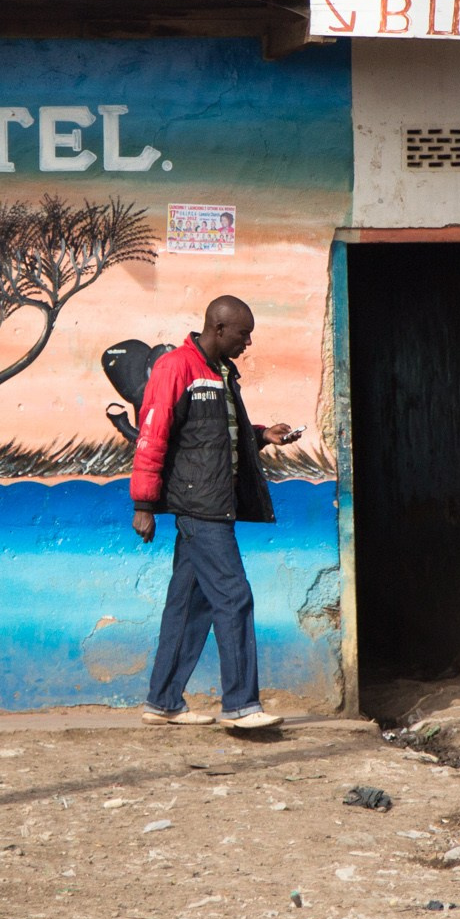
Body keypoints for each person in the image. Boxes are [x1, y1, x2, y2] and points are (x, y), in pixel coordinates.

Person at [131, 295, 300, 730]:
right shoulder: (176, 367)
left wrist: (263, 435)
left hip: (214, 504)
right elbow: (152, 434)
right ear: (219, 328)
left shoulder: (222, 373)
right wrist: (144, 505)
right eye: (243, 334)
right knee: (233, 596)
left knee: (190, 605)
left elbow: (215, 435)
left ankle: (163, 700)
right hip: (199, 506)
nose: (248, 343)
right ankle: (241, 704)